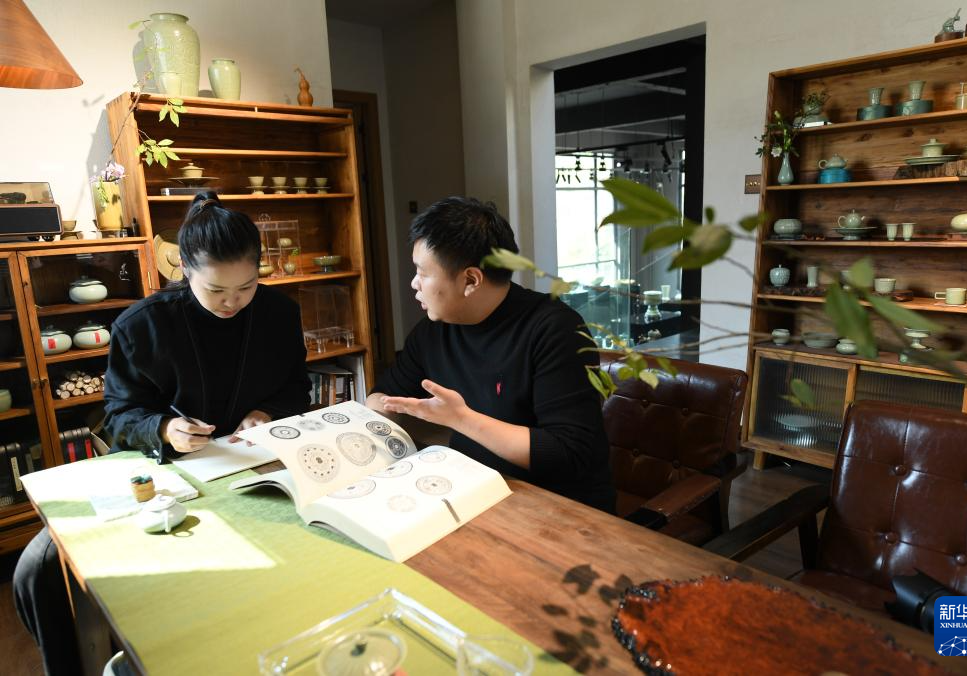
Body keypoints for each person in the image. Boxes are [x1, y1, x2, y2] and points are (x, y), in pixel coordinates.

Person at [14, 192, 310, 675]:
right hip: (169, 472)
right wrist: (165, 428)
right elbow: (118, 414)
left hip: (254, 467)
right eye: (216, 290)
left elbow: (297, 387)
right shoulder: (143, 325)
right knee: (40, 567)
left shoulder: (278, 313)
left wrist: (265, 412)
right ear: (184, 270)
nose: (232, 301)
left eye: (246, 286)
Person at [367, 197, 614, 512]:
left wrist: (459, 419)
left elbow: (568, 453)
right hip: (476, 490)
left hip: (559, 507)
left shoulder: (556, 329)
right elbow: (381, 397)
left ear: (471, 280)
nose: (414, 284)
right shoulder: (434, 330)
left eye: (423, 273)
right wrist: (386, 414)